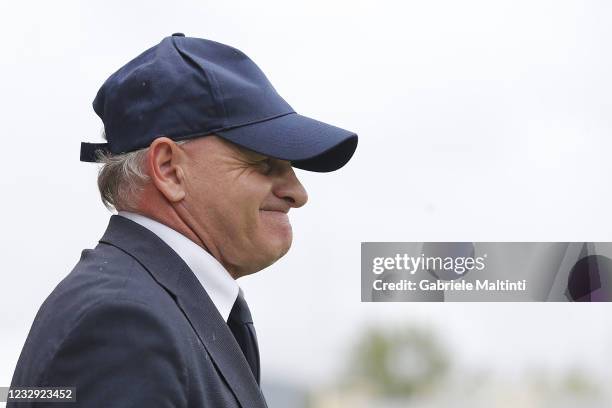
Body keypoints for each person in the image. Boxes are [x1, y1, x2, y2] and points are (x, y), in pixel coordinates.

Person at [7, 33, 357, 407]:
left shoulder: (159, 309)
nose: (298, 193)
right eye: (264, 163)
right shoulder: (125, 324)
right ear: (169, 169)